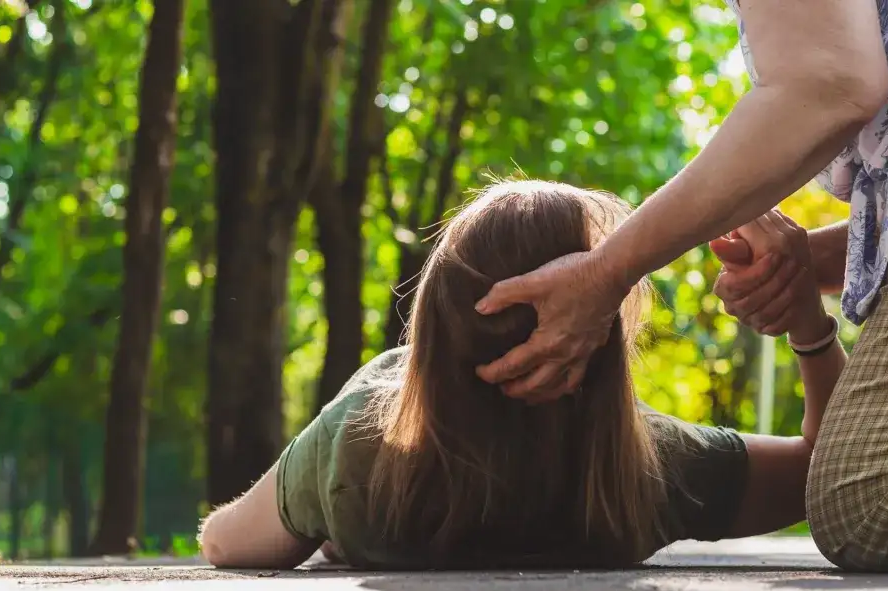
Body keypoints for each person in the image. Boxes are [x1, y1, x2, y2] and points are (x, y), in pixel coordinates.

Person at [472, 0, 888, 573]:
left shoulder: (369, 455)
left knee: (869, 496)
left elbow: (829, 85)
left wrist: (609, 269)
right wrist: (805, 269)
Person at [197, 181, 845, 569]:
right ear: (597, 344)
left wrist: (324, 498)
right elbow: (830, 472)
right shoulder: (651, 470)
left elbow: (225, 543)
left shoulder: (357, 450)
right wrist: (810, 329)